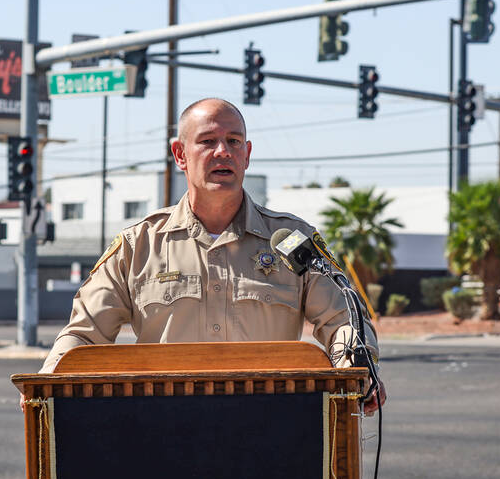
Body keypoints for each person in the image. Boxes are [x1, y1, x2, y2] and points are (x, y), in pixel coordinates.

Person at [40, 97, 385, 412]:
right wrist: (46, 385)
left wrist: (356, 371)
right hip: (163, 431)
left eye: (234, 141)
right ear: (180, 155)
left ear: (247, 154)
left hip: (275, 429)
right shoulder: (138, 246)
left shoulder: (291, 240)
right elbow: (84, 335)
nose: (223, 151)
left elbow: (343, 319)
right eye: (207, 141)